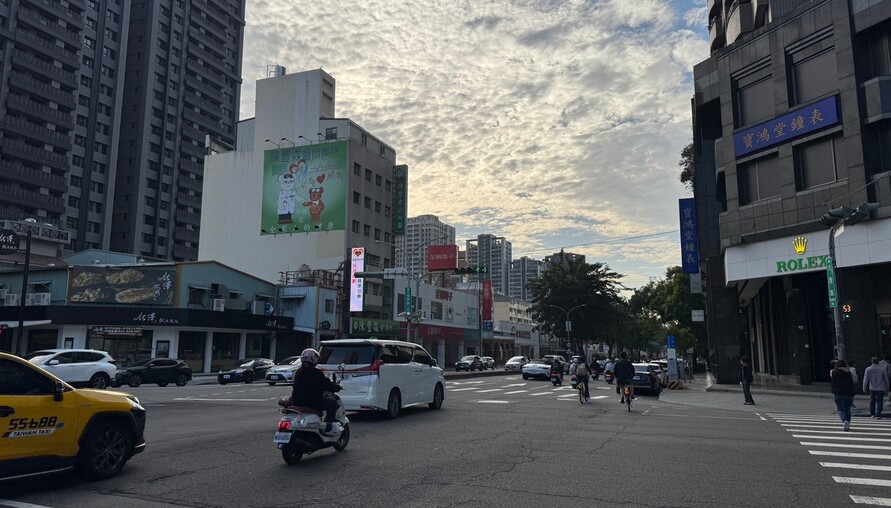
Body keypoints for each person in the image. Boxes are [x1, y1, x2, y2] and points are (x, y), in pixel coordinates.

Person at [291, 348, 341, 434]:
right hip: (313, 402)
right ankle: (329, 426)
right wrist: (337, 387)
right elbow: (327, 384)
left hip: (298, 401)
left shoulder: (298, 372)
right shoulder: (316, 372)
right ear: (314, 359)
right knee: (332, 403)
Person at [830, 359, 856, 431]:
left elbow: (832, 376)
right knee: (847, 410)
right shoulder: (849, 372)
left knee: (840, 409)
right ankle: (848, 423)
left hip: (838, 393)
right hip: (849, 393)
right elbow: (854, 381)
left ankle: (845, 421)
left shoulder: (833, 372)